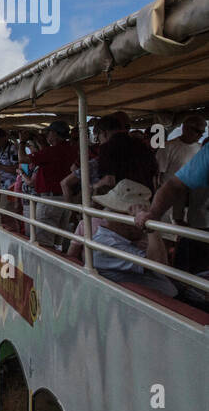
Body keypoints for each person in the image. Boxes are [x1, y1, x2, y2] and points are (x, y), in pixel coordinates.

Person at [70, 179, 177, 297]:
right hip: (155, 307)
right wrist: (150, 225)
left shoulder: (119, 239)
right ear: (123, 219)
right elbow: (159, 266)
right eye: (138, 219)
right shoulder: (106, 243)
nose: (141, 226)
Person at [136, 145, 209, 276]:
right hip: (200, 225)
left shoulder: (197, 148)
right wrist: (154, 213)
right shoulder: (171, 149)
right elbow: (174, 185)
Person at [22, 120, 75, 249]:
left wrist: (21, 142)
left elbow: (22, 159)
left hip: (50, 201)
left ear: (55, 134)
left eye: (49, 133)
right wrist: (41, 142)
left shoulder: (52, 151)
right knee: (58, 243)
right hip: (66, 198)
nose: (47, 136)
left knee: (43, 243)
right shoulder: (71, 149)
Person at [95, 112, 157, 193]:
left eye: (98, 138)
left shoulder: (106, 148)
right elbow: (154, 172)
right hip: (146, 195)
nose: (99, 141)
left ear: (103, 133)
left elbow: (109, 180)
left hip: (124, 198)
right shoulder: (141, 144)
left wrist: (95, 186)